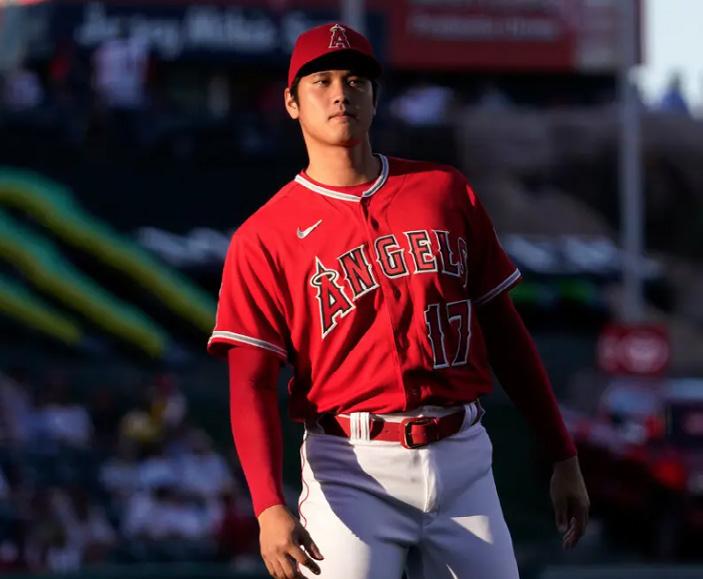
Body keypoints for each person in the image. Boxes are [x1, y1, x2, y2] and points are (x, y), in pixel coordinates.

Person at [208, 23, 590, 579]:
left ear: (375, 96)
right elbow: (251, 382)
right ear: (291, 102)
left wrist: (562, 452)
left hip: (463, 457)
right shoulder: (264, 236)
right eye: (321, 81)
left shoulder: (443, 191)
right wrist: (268, 505)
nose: (341, 93)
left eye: (355, 80)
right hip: (351, 466)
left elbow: (505, 331)